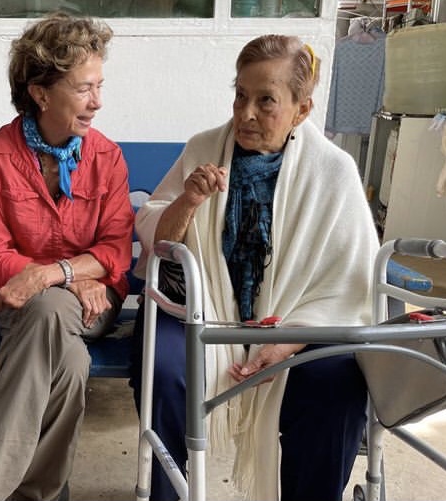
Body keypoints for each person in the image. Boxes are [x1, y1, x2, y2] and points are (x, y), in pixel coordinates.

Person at [129, 34, 380, 501]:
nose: (245, 113)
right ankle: (169, 494)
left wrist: (289, 341)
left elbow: (349, 286)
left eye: (266, 101)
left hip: (298, 326)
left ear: (301, 110)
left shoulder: (334, 171)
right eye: (240, 95)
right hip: (198, 315)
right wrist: (190, 200)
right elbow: (159, 241)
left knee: (338, 382)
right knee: (165, 372)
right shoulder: (202, 149)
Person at [0, 12, 135, 501]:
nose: (97, 101)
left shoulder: (107, 157)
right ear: (41, 93)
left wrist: (55, 274)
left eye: (99, 86)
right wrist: (68, 278)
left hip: (95, 304)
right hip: (24, 306)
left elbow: (115, 251)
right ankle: (40, 495)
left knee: (50, 305)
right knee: (69, 364)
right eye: (84, 88)